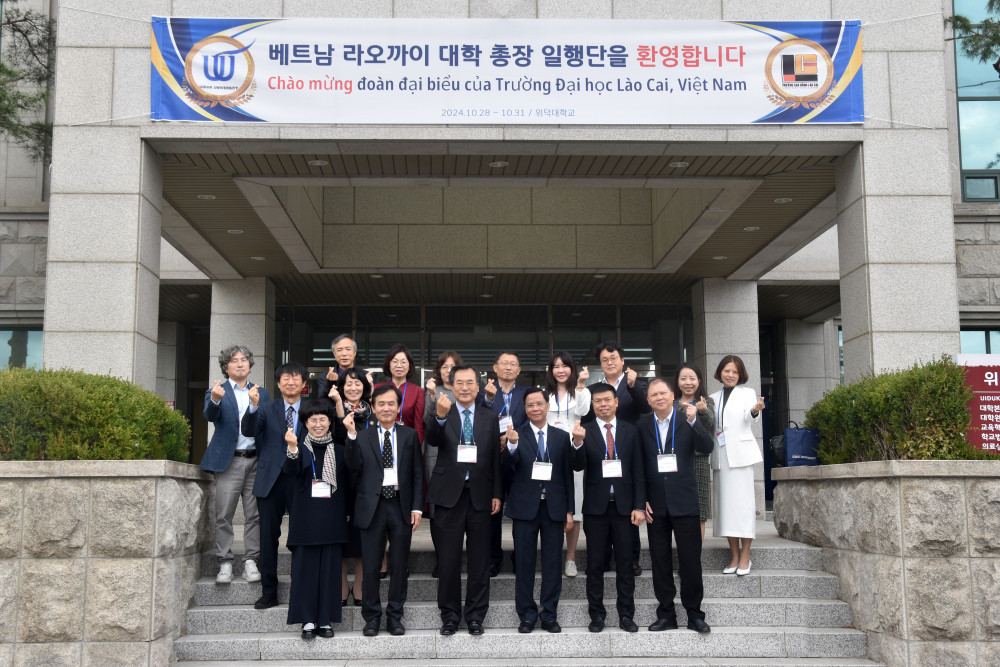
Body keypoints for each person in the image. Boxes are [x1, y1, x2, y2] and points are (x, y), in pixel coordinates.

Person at [426, 363, 502, 636]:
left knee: (480, 561)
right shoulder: (441, 410)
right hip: (448, 496)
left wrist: (497, 493)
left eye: (470, 382)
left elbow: (495, 458)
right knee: (448, 561)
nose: (465, 387)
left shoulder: (489, 416)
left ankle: (475, 616)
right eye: (460, 382)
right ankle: (449, 615)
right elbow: (433, 439)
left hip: (480, 495)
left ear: (478, 387)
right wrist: (440, 416)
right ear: (451, 386)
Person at [345, 384, 424, 637]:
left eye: (391, 403)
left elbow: (417, 473)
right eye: (381, 404)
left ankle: (395, 616)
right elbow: (352, 468)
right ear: (373, 407)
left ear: (398, 407)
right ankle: (371, 617)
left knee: (399, 565)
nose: (386, 408)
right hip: (373, 508)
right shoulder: (362, 436)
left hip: (401, 506)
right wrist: (350, 436)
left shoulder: (409, 435)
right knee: (370, 566)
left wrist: (417, 507)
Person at [636, 378, 714, 634]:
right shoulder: (642, 425)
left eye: (663, 393)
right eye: (654, 395)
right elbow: (639, 467)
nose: (659, 397)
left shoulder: (686, 419)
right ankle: (666, 613)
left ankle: (695, 614)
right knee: (660, 562)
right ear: (648, 400)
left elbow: (707, 447)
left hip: (685, 501)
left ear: (672, 396)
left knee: (690, 561)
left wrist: (694, 421)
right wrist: (641, 501)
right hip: (655, 505)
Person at [570, 382, 646, 634]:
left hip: (625, 509)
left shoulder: (630, 430)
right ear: (592, 405)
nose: (602, 404)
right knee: (595, 565)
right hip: (596, 509)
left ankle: (626, 614)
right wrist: (577, 443)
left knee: (625, 564)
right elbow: (577, 466)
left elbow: (638, 471)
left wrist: (639, 506)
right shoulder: (585, 430)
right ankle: (597, 615)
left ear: (616, 402)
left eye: (607, 400)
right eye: (597, 401)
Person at [503, 387, 575, 633]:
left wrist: (569, 510)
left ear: (547, 406)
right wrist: (512, 445)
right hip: (525, 508)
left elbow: (566, 475)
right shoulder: (516, 435)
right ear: (525, 409)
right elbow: (507, 466)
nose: (535, 408)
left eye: (539, 404)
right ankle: (526, 615)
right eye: (530, 405)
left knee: (553, 563)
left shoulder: (561, 436)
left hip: (554, 507)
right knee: (524, 563)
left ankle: (549, 614)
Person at [242, 362, 310, 610]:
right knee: (268, 537)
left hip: (301, 478)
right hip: (270, 480)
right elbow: (248, 430)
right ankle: (269, 591)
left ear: (304, 384)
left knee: (301, 536)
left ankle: (300, 590)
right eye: (285, 379)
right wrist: (252, 405)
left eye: (296, 378)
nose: (291, 382)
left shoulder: (311, 409)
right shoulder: (265, 408)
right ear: (278, 384)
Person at [201, 345, 269, 585]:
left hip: (255, 460)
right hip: (229, 461)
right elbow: (209, 415)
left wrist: (255, 405)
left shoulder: (261, 392)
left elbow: (265, 425)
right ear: (226, 366)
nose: (240, 364)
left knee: (254, 515)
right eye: (234, 360)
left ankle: (251, 561)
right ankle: (225, 562)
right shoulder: (217, 390)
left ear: (250, 365)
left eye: (244, 360)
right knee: (224, 514)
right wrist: (216, 400)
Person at [282, 399, 348, 639]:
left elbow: (350, 481)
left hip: (332, 520)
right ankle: (308, 620)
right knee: (305, 573)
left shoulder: (340, 450)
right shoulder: (299, 449)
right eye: (313, 420)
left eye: (323, 419)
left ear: (330, 422)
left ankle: (326, 620)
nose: (318, 424)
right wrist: (291, 448)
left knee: (330, 572)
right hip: (305, 522)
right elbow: (290, 472)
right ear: (305, 423)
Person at [591, 341, 649, 577]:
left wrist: (633, 387)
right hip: (603, 452)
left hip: (628, 447)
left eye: (613, 358)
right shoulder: (596, 388)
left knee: (627, 505)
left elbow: (645, 408)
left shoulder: (636, 383)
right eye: (604, 360)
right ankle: (604, 557)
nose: (609, 362)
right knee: (604, 505)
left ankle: (631, 558)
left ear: (622, 361)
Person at [710, 355, 765, 576]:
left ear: (740, 374)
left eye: (734, 371)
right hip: (721, 457)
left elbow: (749, 416)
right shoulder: (712, 398)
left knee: (742, 507)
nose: (730, 375)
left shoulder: (747, 393)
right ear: (720, 373)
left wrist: (755, 409)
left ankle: (745, 556)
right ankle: (734, 555)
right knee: (726, 509)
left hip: (741, 458)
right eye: (727, 371)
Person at [479, 350, 529, 577]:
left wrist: (512, 438)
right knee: (493, 511)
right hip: (492, 458)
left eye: (513, 364)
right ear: (495, 368)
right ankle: (492, 559)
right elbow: (478, 417)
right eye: (504, 363)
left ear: (519, 370)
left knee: (520, 511)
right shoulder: (485, 391)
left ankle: (520, 558)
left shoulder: (526, 392)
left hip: (518, 457)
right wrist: (488, 400)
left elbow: (531, 420)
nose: (508, 367)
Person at [544, 351, 590, 578]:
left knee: (576, 508)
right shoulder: (545, 395)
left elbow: (582, 411)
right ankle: (551, 556)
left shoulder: (582, 392)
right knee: (551, 505)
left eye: (565, 366)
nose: (560, 370)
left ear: (572, 368)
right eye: (556, 366)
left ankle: (570, 558)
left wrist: (580, 386)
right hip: (549, 454)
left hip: (573, 452)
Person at [334, 368, 374, 606]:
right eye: (348, 384)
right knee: (340, 530)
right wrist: (339, 405)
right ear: (341, 387)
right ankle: (341, 583)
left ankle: (359, 583)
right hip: (339, 475)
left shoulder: (372, 411)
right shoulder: (332, 407)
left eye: (358, 383)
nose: (353, 388)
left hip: (366, 477)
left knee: (362, 531)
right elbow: (340, 434)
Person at [422, 350, 463, 578]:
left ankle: (456, 558)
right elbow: (427, 423)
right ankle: (442, 559)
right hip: (435, 455)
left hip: (461, 455)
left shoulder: (464, 391)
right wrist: (431, 397)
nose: (448, 371)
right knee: (438, 510)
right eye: (444, 367)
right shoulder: (432, 391)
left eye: (453, 366)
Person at [673, 363, 716, 540]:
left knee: (699, 512)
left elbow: (710, 423)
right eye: (683, 378)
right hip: (676, 461)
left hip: (699, 461)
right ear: (677, 381)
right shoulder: (671, 403)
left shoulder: (706, 402)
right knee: (678, 509)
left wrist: (702, 410)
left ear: (699, 380)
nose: (688, 382)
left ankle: (695, 554)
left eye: (692, 378)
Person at [375, 343, 425, 443]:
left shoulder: (418, 391)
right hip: (381, 441)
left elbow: (418, 425)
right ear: (389, 364)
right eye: (395, 361)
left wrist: (416, 448)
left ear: (409, 366)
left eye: (403, 362)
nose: (399, 365)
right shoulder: (377, 388)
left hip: (407, 442)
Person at [316, 334, 372, 400]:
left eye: (348, 349)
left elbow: (372, 401)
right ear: (334, 354)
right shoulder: (324, 377)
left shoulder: (367, 376)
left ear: (354, 353)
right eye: (339, 350)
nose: (344, 354)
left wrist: (367, 384)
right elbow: (322, 401)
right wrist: (330, 383)